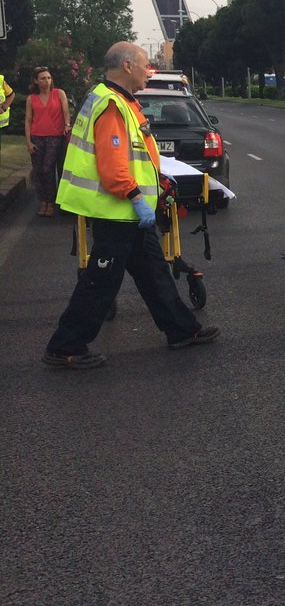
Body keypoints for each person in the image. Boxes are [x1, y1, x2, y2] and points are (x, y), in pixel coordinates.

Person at [44, 42, 221, 369]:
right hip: (117, 208)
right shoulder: (112, 105)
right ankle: (65, 346)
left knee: (155, 273)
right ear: (127, 66)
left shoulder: (118, 100)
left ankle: (182, 330)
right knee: (100, 283)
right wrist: (136, 197)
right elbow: (113, 167)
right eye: (144, 65)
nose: (148, 71)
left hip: (126, 210)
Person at [25, 66, 71, 216]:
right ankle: (43, 201)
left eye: (48, 78)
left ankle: (51, 201)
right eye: (43, 78)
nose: (46, 81)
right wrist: (28, 142)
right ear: (36, 81)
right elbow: (28, 120)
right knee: (38, 171)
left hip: (55, 137)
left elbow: (66, 112)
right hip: (37, 136)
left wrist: (66, 125)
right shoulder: (31, 98)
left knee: (48, 169)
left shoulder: (59, 94)